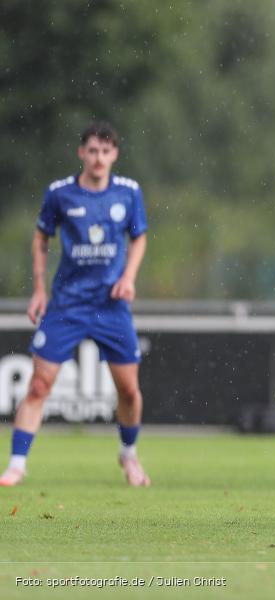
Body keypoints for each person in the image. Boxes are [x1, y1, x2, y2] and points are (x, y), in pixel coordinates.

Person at [0, 122, 150, 488]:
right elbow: (40, 238)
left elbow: (139, 237)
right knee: (39, 386)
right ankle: (17, 464)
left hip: (111, 306)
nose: (99, 158)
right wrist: (38, 289)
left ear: (115, 154)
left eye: (106, 151)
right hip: (66, 306)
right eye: (93, 151)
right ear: (81, 153)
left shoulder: (128, 193)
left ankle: (128, 455)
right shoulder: (60, 194)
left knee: (128, 390)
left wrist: (128, 277)